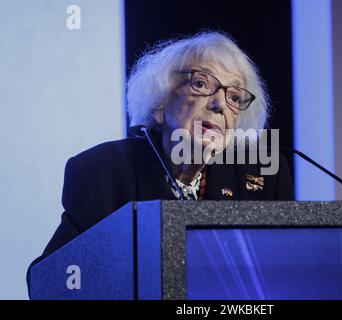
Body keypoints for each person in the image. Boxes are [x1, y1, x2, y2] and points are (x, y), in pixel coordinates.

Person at [27, 31, 294, 295]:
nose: (219, 104)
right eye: (201, 84)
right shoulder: (101, 173)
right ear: (160, 103)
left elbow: (293, 274)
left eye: (234, 97)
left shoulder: (264, 177)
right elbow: (49, 282)